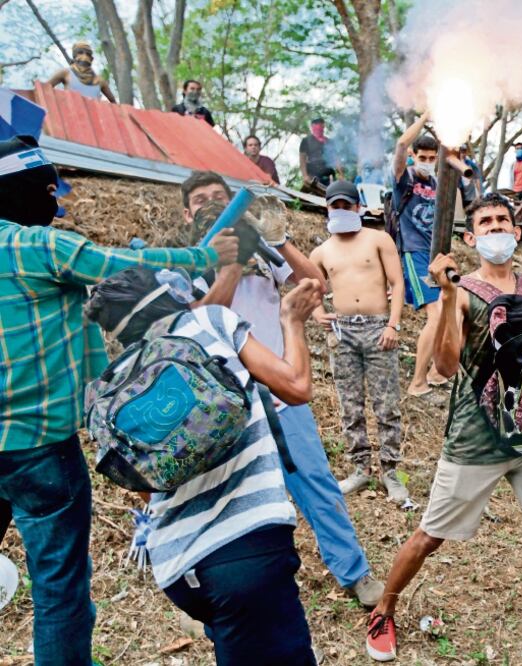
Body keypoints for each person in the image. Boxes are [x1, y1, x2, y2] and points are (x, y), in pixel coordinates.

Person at [0, 135, 239, 666]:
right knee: (59, 592)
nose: (55, 203)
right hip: (39, 451)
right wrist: (205, 256)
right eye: (48, 192)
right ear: (21, 191)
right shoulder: (35, 246)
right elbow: (123, 263)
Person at [364, 193, 522, 664]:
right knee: (429, 537)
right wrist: (446, 297)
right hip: (476, 438)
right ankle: (384, 609)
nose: (496, 228)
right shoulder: (463, 291)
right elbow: (446, 366)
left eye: (503, 220)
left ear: (517, 231)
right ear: (470, 237)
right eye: (485, 222)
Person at [85, 267, 325, 665]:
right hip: (248, 549)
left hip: (179, 567)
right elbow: (297, 386)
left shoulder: (115, 384)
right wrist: (292, 320)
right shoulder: (209, 322)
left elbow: (145, 487)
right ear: (166, 294)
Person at [179, 170, 385, 607]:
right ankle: (209, 591)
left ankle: (354, 571)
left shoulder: (262, 252)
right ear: (187, 214)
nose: (212, 204)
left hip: (281, 396)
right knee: (224, 503)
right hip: (221, 410)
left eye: (220, 196)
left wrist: (277, 239)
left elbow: (316, 284)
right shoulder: (184, 263)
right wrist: (230, 263)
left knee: (317, 485)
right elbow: (202, 320)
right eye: (201, 200)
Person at [309, 181, 406, 501]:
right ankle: (360, 469)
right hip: (342, 332)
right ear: (327, 208)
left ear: (358, 207)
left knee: (386, 404)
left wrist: (393, 324)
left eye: (346, 205)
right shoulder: (322, 251)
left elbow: (397, 282)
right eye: (335, 206)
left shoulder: (378, 239)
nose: (341, 210)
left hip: (378, 328)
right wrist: (318, 313)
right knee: (350, 404)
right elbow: (309, 287)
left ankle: (391, 471)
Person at [390, 112, 475, 396]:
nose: (427, 162)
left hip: (438, 254)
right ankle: (417, 381)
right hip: (414, 253)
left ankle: (438, 371)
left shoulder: (439, 183)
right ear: (414, 156)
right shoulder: (404, 179)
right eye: (422, 157)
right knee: (435, 313)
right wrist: (427, 115)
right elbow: (401, 144)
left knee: (455, 307)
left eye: (431, 157)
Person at [46, 42, 116, 102]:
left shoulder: (99, 80)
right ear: (75, 56)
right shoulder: (65, 73)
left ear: (91, 59)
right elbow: (44, 89)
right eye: (80, 52)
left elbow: (114, 103)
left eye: (88, 54)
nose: (84, 56)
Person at [300, 118, 341, 194]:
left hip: (328, 174)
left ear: (323, 126)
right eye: (316, 124)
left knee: (332, 193)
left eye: (321, 124)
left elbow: (336, 158)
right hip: (313, 174)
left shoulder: (330, 142)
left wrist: (341, 174)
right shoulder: (306, 141)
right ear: (312, 126)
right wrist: (305, 176)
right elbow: (302, 159)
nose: (319, 128)